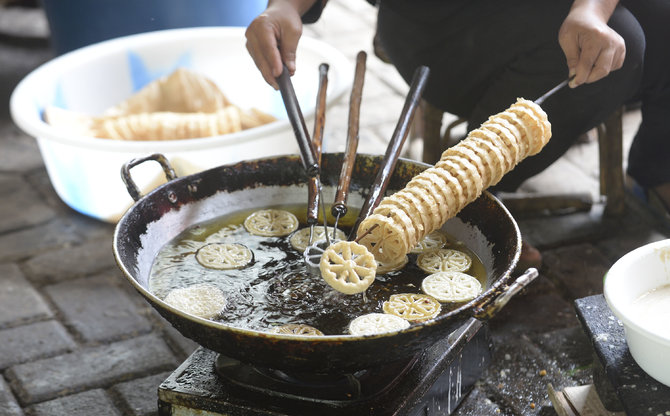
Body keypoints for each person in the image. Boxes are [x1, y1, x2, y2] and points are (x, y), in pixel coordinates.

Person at [245, 0, 670, 268]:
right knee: (628, 39)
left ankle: (658, 171)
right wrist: (286, 6)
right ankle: (467, 204)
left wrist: (591, 8)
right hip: (438, 19)